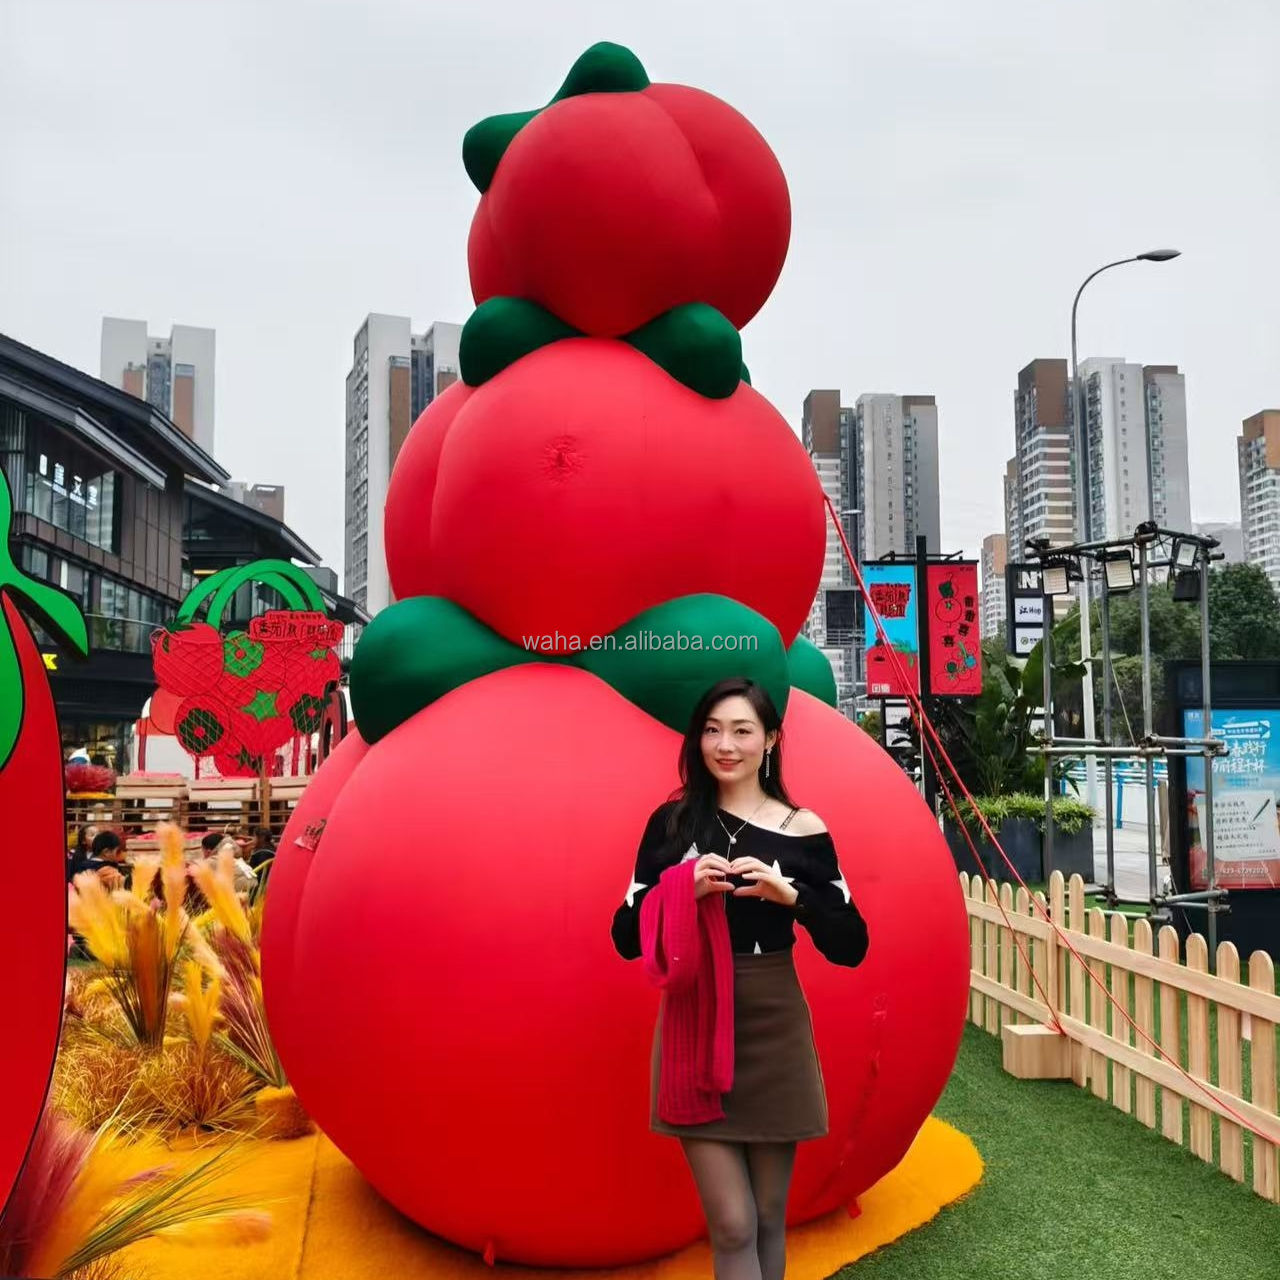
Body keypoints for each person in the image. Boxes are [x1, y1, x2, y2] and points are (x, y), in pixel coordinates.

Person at [611, 676, 869, 1280]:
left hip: (775, 1022)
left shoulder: (803, 829)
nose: (725, 745)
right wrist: (684, 890)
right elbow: (624, 935)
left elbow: (852, 944)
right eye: (711, 730)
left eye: (742, 731)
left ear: (771, 739)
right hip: (695, 1023)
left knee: (770, 1215)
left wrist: (792, 896)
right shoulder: (673, 824)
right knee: (732, 1223)